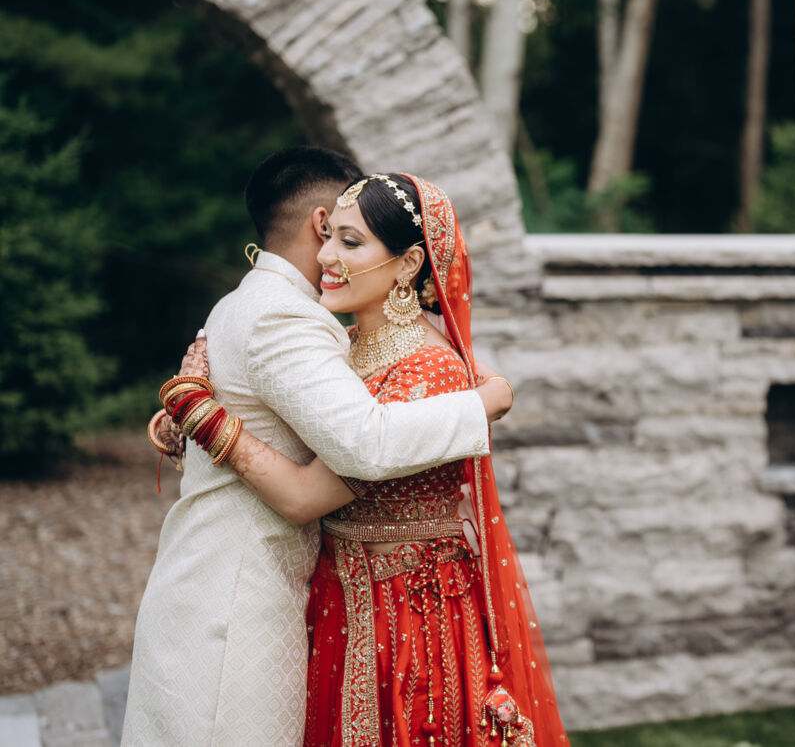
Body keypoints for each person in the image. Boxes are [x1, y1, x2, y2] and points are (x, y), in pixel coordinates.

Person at [159, 173, 567, 746]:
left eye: (350, 242)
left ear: (408, 264)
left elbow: (305, 495)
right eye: (329, 237)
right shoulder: (342, 348)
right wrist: (187, 409)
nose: (326, 256)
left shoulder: (430, 370)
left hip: (408, 615)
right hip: (340, 601)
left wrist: (203, 415)